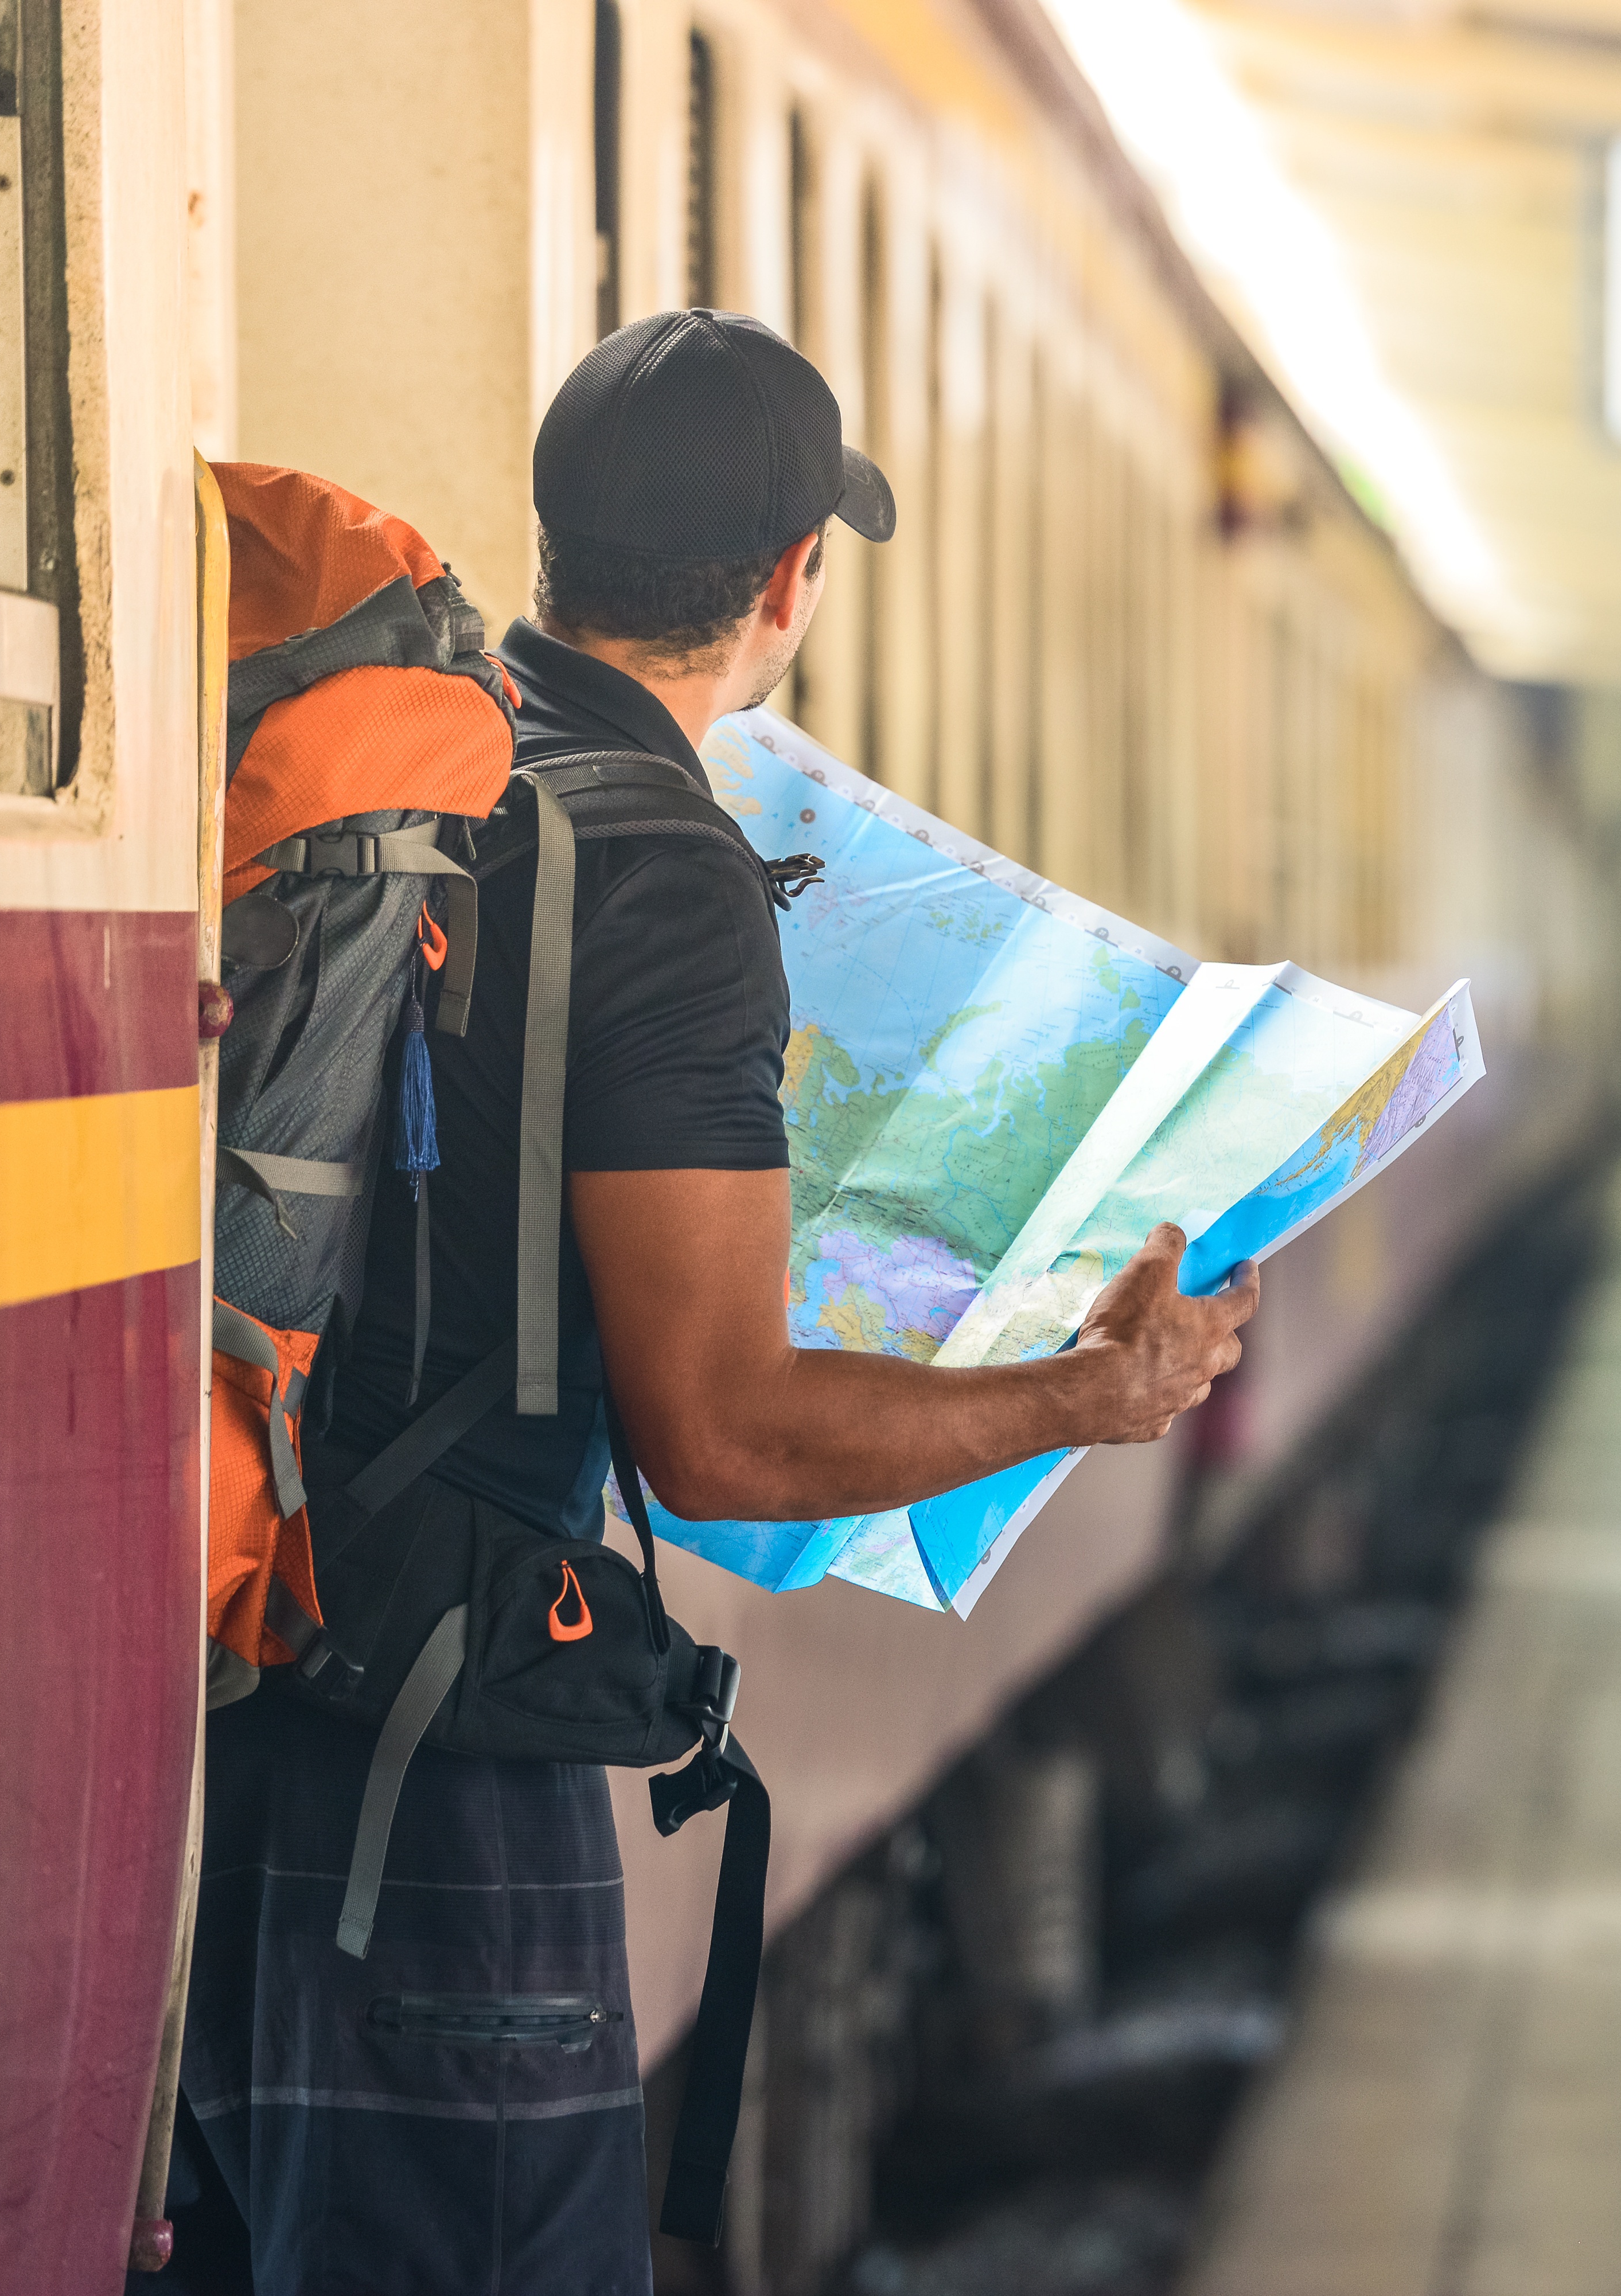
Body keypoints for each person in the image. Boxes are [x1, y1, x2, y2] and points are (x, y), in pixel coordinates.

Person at [170, 311, 1257, 2294]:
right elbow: (725, 1427)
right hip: (446, 1792)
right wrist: (1076, 1397)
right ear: (787, 584)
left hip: (241, 1714)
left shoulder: (454, 777)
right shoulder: (666, 867)